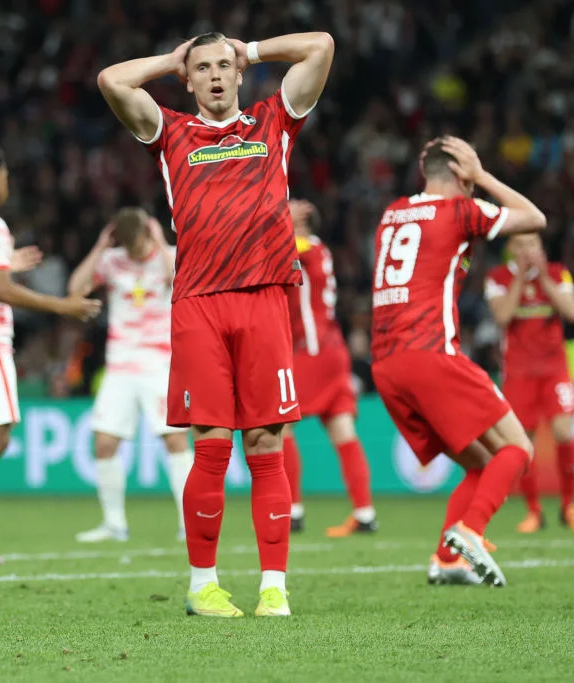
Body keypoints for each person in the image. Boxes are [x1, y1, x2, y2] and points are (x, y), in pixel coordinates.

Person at [98, 30, 334, 617]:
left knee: (266, 444)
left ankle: (274, 587)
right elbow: (111, 80)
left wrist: (249, 49)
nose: (215, 76)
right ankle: (203, 585)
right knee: (210, 445)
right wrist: (171, 59)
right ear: (189, 80)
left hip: (264, 298)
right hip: (199, 304)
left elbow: (322, 46)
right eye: (202, 68)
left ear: (239, 73)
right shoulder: (171, 132)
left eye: (224, 66)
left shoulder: (272, 122)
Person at [371, 136, 547, 587]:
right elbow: (534, 219)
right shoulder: (459, 211)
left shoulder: (392, 214)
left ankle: (446, 560)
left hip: (386, 366)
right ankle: (471, 530)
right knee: (517, 449)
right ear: (459, 175)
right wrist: (483, 176)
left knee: (481, 464)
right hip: (431, 354)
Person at [0, 142, 102, 567]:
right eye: (5, 175)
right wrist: (64, 307)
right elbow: (1, 290)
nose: (7, 182)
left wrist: (4, 262)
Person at [68, 207, 193, 543]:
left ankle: (189, 523)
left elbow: (183, 282)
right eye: (128, 246)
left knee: (175, 440)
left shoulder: (168, 256)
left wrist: (161, 242)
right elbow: (76, 289)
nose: (135, 253)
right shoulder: (111, 260)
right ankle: (114, 524)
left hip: (160, 363)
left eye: (138, 245)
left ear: (147, 234)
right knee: (104, 442)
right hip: (120, 364)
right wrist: (99, 247)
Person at [485, 234, 574, 533]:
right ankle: (533, 511)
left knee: (564, 432)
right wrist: (521, 278)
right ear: (510, 250)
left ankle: (569, 506)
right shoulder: (498, 278)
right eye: (520, 245)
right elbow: (503, 316)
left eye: (532, 245)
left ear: (541, 248)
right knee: (523, 442)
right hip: (518, 372)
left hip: (554, 370)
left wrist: (543, 277)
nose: (527, 251)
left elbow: (573, 312)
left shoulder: (558, 273)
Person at [282, 199, 377, 537]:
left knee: (280, 427)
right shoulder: (318, 250)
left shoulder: (303, 248)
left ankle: (292, 511)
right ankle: (364, 513)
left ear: (303, 219)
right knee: (343, 431)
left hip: (309, 351)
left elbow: (270, 246)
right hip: (332, 350)